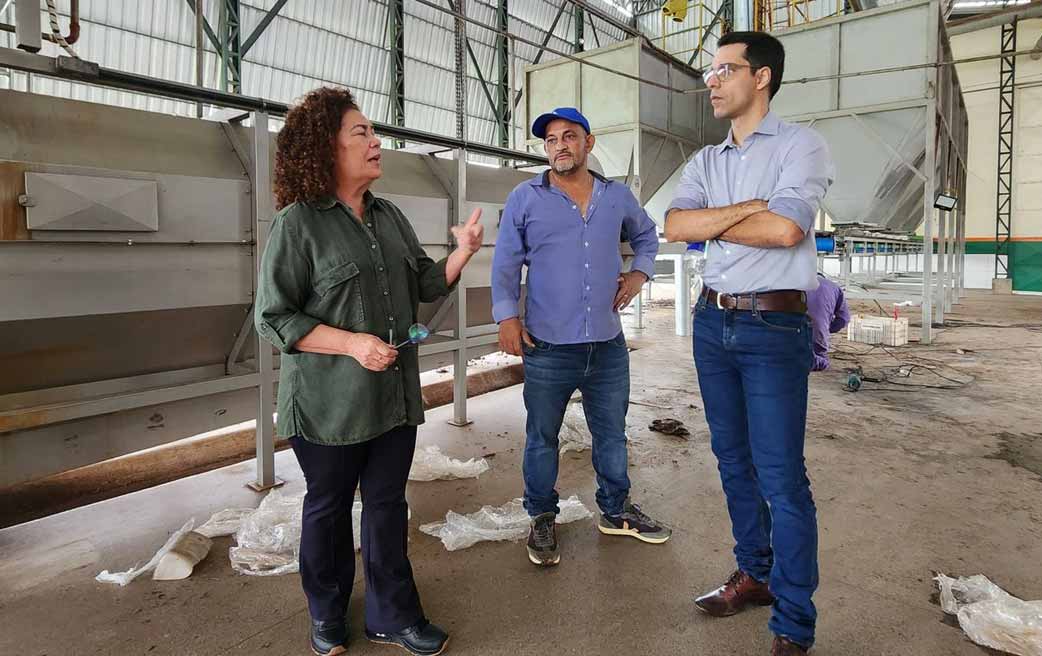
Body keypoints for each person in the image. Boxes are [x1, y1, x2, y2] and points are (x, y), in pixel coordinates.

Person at [254, 87, 483, 656]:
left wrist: (463, 253)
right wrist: (352, 344)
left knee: (387, 505)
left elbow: (424, 284)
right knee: (328, 508)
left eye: (373, 132)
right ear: (324, 148)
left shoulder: (389, 215)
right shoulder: (297, 225)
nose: (376, 141)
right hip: (329, 402)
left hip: (392, 399)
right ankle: (328, 614)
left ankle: (394, 614)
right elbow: (274, 316)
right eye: (361, 132)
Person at [664, 32, 835, 656]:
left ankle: (793, 623)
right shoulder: (705, 161)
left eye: (724, 70)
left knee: (781, 476)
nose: (711, 81)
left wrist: (721, 222)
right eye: (710, 71)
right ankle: (755, 573)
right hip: (713, 325)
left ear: (761, 77)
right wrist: (747, 210)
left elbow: (788, 228)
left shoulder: (801, 145)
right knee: (732, 462)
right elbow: (677, 225)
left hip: (772, 328)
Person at [490, 107, 670, 568]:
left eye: (568, 137)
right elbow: (506, 262)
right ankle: (542, 516)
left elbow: (648, 237)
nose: (559, 146)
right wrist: (507, 317)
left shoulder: (617, 197)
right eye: (550, 140)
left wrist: (638, 276)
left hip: (607, 344)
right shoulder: (525, 198)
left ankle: (615, 510)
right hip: (548, 346)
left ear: (589, 143)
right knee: (541, 437)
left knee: (611, 434)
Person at [806, 272, 850, 372]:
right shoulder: (834, 288)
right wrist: (828, 329)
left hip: (793, 336)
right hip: (818, 337)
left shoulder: (796, 285)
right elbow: (844, 319)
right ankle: (813, 361)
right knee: (821, 360)